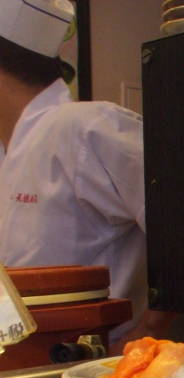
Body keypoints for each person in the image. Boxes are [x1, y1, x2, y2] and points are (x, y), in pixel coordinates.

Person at [0, 0, 171, 352]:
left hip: (87, 364)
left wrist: (151, 327)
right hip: (17, 369)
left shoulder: (86, 127)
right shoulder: (8, 148)